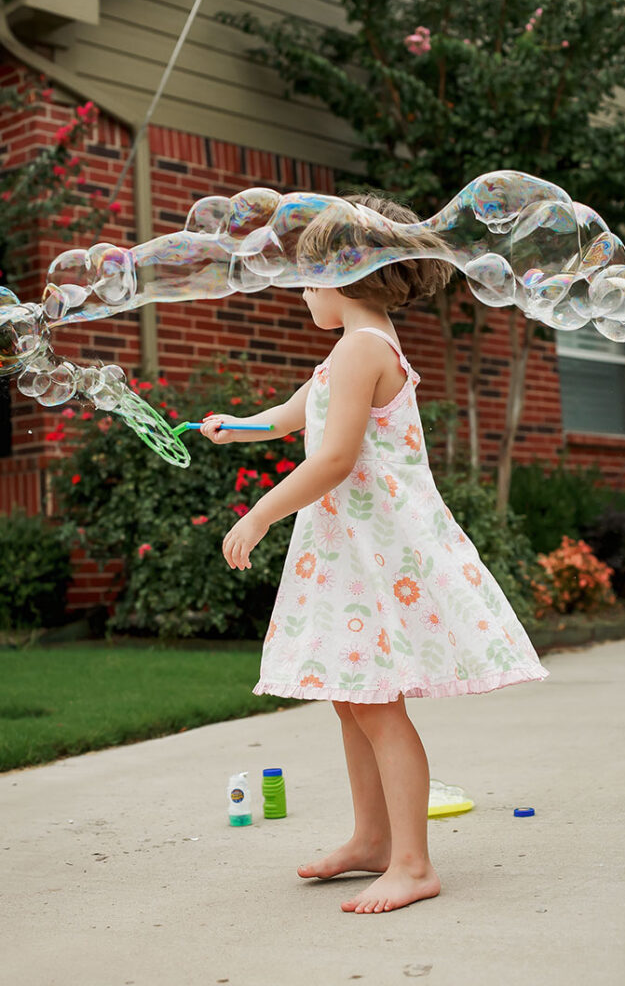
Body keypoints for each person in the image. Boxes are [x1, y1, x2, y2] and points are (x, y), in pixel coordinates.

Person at [200, 193, 550, 914]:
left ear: (347, 279)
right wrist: (236, 427)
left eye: (308, 279)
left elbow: (332, 459)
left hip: (375, 551)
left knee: (379, 706)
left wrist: (261, 513)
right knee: (351, 698)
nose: (301, 292)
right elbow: (297, 413)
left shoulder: (363, 349)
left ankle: (413, 862)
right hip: (350, 550)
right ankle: (370, 840)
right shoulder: (349, 349)